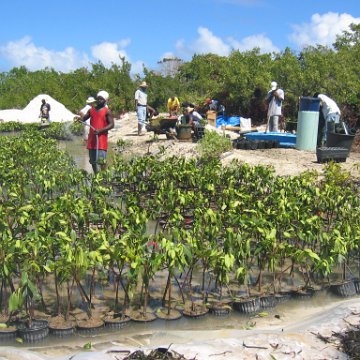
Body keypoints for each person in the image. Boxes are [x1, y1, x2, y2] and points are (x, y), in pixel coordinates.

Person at [81, 90, 114, 174]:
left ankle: (104, 178)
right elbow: (84, 118)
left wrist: (100, 131)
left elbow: (111, 125)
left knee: (102, 161)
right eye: (98, 99)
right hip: (92, 140)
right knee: (93, 161)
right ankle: (97, 176)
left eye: (102, 99)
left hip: (101, 140)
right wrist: (79, 119)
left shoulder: (107, 111)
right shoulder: (91, 110)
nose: (99, 101)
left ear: (106, 101)